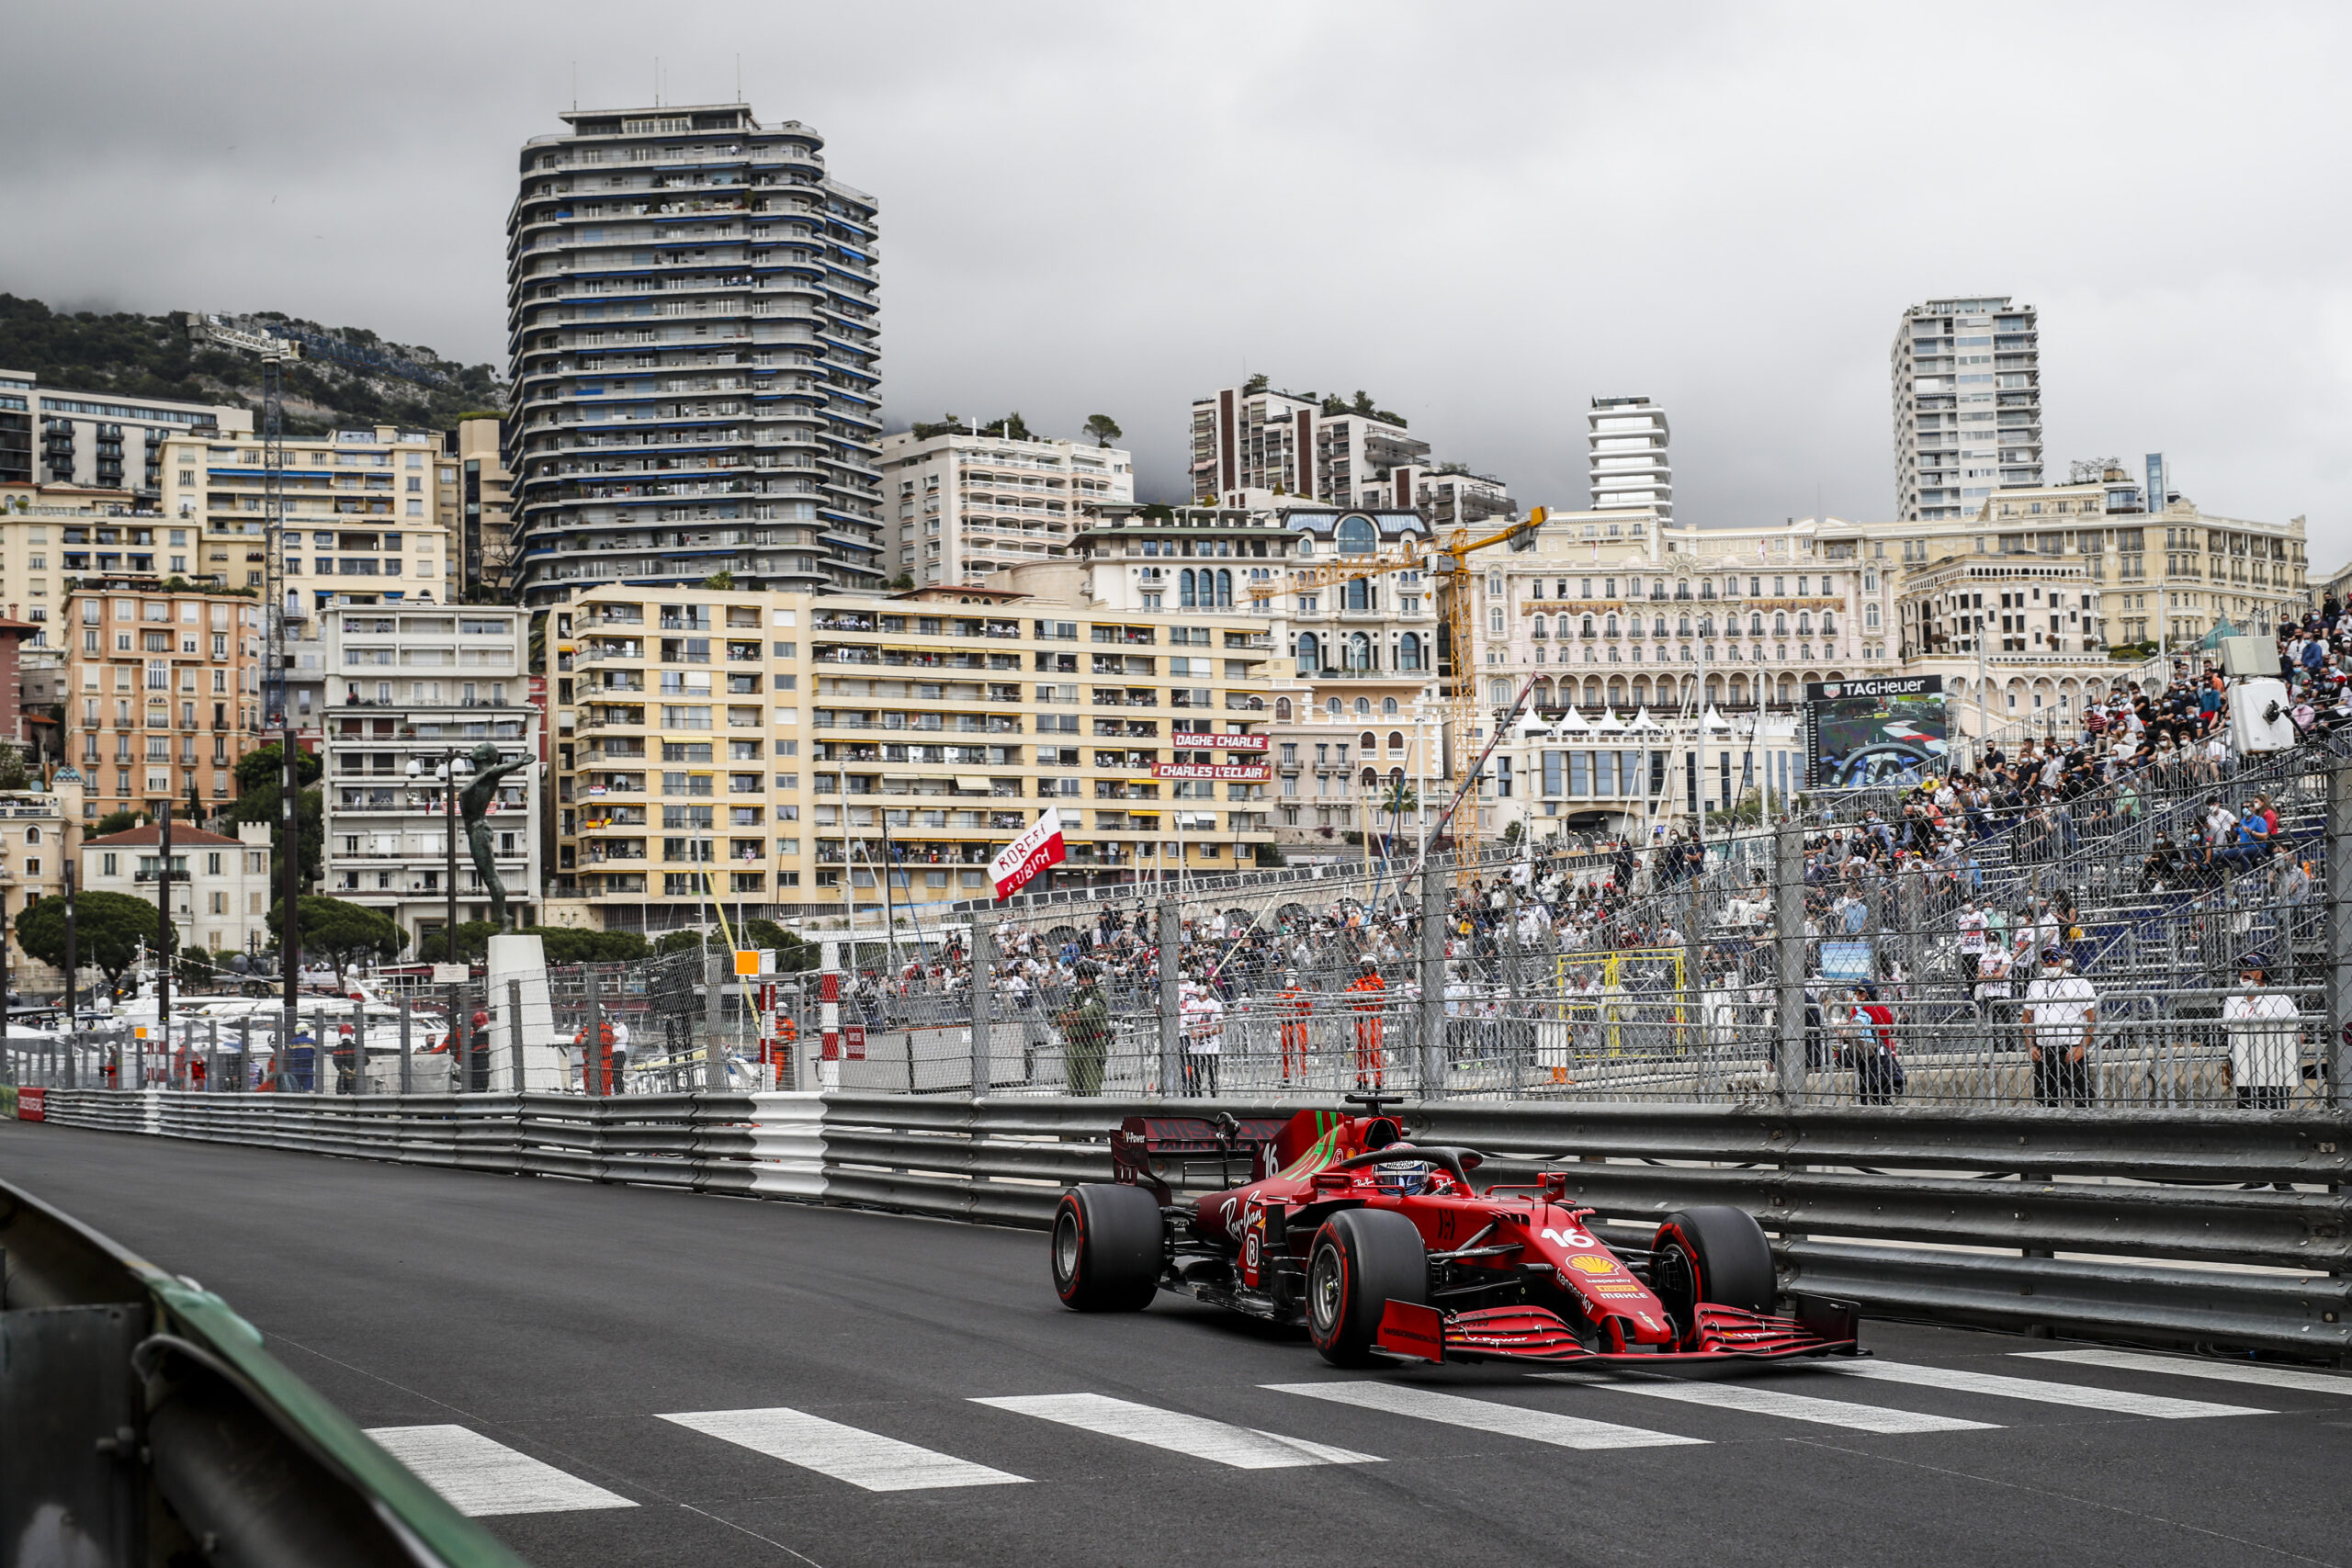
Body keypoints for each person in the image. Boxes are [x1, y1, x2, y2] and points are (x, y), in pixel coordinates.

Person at [2221, 954, 2301, 1111]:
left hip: (2274, 1066)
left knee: (2276, 1109)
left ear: (2264, 972)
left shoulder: (2279, 998)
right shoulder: (2233, 999)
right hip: (2244, 1066)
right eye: (2243, 967)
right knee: (2246, 1109)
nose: (2245, 971)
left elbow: (2298, 1034)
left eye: (2251, 967)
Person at [2021, 945, 2098, 1108]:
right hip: (2045, 1052)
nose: (2050, 962)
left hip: (2070, 1050)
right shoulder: (2036, 984)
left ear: (2063, 961)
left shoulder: (2079, 983)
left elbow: (2093, 1018)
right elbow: (2027, 1018)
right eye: (2046, 959)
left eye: (2054, 958)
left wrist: (2082, 1047)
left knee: (2082, 1099)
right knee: (2046, 1101)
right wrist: (2030, 1046)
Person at [1055, 961, 1111, 1097]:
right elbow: (1060, 1015)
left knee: (1091, 1087)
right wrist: (1073, 1017)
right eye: (1081, 979)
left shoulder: (1099, 994)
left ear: (1094, 978)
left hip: (1092, 1044)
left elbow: (1091, 1013)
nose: (1084, 982)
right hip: (1075, 1045)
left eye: (1087, 978)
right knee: (1074, 1087)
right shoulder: (1076, 995)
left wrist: (1074, 1017)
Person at [1846, 981, 1903, 1105]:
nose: (1855, 996)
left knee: (1865, 1091)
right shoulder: (1883, 1008)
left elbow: (1853, 1032)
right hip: (1886, 1053)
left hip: (1868, 1055)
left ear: (1863, 995)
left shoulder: (1859, 1010)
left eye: (1857, 993)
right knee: (1883, 1094)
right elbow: (1890, 1029)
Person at [1346, 955, 1386, 1089]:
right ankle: (1361, 1080)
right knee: (1360, 1051)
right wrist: (1363, 995)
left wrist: (1359, 995)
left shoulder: (1378, 981)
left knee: (1374, 1051)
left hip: (1372, 1020)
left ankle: (1379, 1081)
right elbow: (1347, 995)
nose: (1367, 968)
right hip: (1359, 1020)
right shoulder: (1358, 981)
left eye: (1369, 965)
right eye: (1364, 965)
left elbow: (1376, 999)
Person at [1179, 978, 1223, 1098]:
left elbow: (1220, 1028)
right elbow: (1186, 1022)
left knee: (1212, 1077)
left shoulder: (1215, 1004)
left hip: (1210, 1048)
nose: (1201, 987)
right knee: (1195, 1078)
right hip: (1195, 1048)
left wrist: (1202, 1034)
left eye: (1203, 984)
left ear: (1208, 987)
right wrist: (1191, 1031)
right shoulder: (1191, 1004)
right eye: (1198, 984)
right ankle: (1196, 1101)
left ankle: (1214, 1100)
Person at [1276, 968, 1311, 1086]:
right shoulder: (1281, 994)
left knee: (1300, 1050)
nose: (1290, 981)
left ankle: (1302, 1075)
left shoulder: (1301, 993)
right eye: (1288, 978)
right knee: (1286, 1051)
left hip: (1299, 1024)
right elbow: (1277, 1010)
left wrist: (1298, 1013)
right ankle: (1286, 1077)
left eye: (1292, 978)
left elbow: (1308, 1009)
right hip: (1285, 1024)